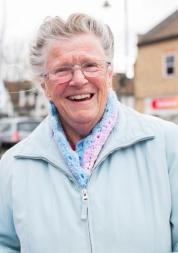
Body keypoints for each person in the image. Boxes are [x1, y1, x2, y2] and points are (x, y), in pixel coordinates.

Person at [0, 13, 178, 253]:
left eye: (90, 65)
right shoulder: (13, 165)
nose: (78, 79)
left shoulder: (167, 145)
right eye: (62, 70)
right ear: (45, 86)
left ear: (109, 75)